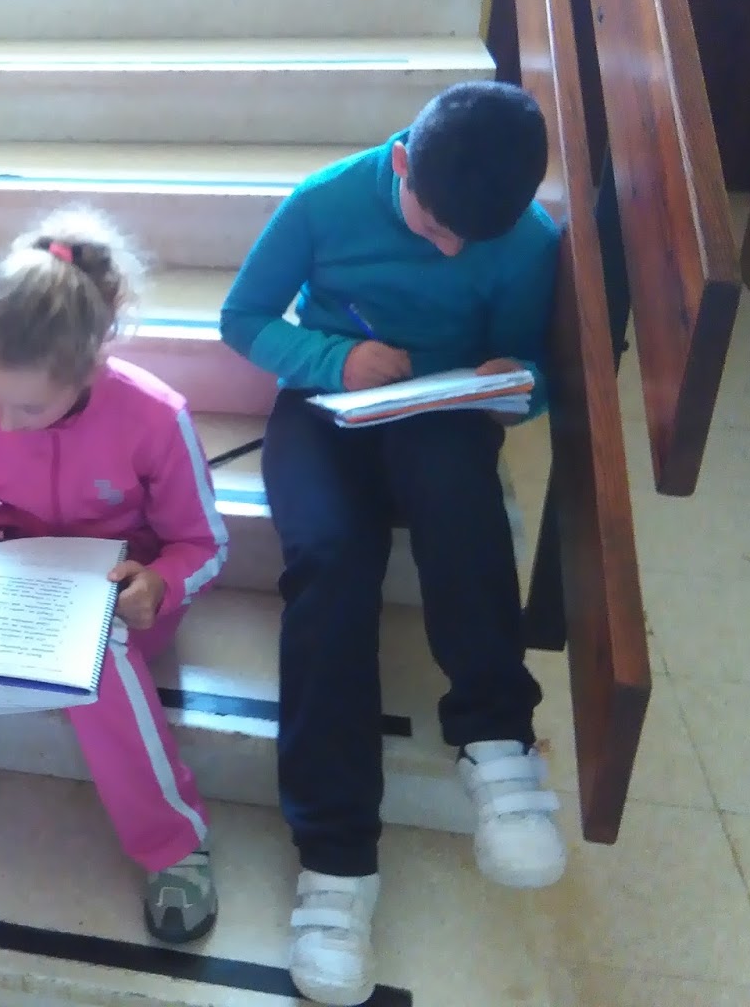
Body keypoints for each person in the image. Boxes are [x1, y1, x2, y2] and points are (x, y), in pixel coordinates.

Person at [219, 81, 566, 1005]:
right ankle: (335, 864)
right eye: (435, 226)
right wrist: (336, 359)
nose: (450, 248)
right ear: (402, 162)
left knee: (461, 499)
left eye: (470, 240)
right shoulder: (324, 200)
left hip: (441, 410)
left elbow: (534, 368)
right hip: (324, 406)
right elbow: (243, 319)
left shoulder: (526, 237)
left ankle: (496, 738)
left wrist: (518, 383)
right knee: (330, 563)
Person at [0, 207, 228, 945]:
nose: (4, 422)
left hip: (121, 595)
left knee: (101, 666)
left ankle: (172, 844)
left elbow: (202, 542)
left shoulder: (156, 418)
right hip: (17, 578)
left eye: (27, 406)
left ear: (89, 368)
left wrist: (160, 584)